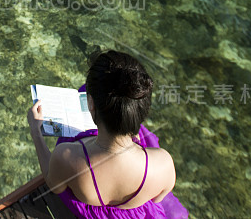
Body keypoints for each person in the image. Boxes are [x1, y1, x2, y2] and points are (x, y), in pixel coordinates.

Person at [27, 50, 189, 218]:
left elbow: (54, 185)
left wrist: (36, 132)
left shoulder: (67, 156)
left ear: (91, 106)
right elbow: (158, 198)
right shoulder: (163, 164)